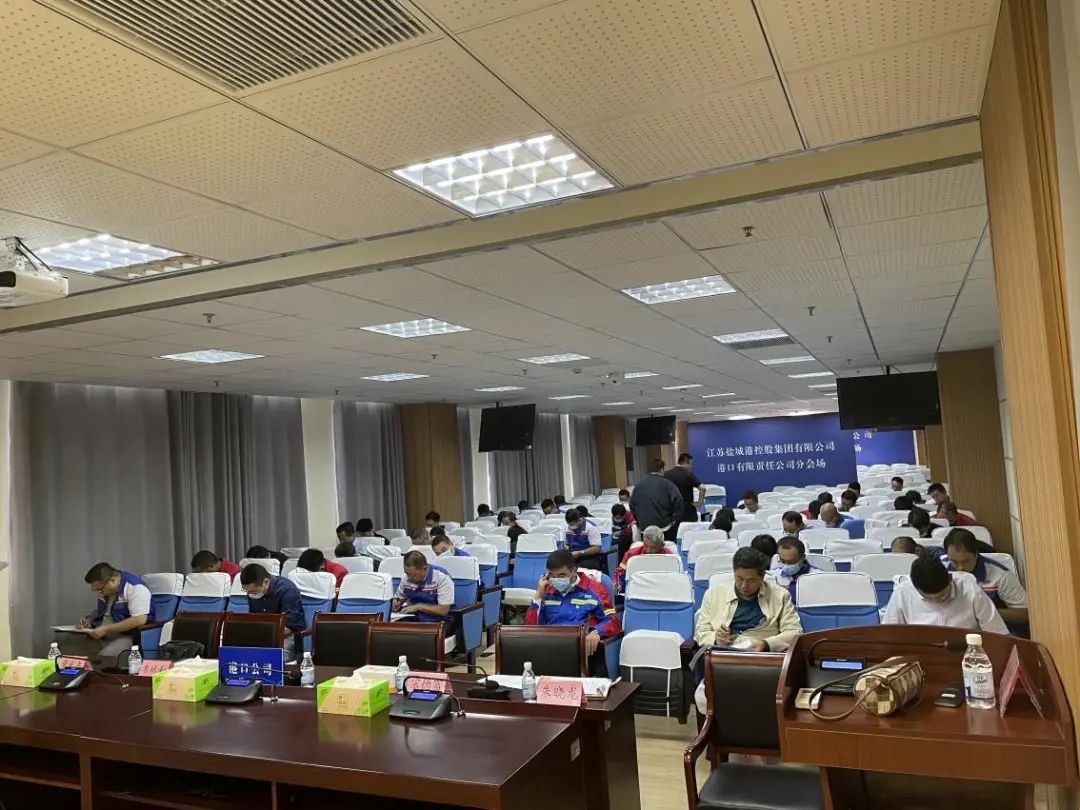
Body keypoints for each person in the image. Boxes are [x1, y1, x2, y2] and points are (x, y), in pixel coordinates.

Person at [526, 549, 620, 676]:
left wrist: (597, 632)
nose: (556, 579)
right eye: (552, 575)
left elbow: (613, 621)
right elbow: (531, 628)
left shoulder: (594, 590)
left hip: (581, 652)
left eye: (561, 575)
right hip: (549, 650)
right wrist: (538, 595)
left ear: (574, 571)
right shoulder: (546, 591)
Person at [883, 555, 1009, 634]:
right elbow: (888, 635)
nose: (937, 601)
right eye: (928, 599)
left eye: (942, 595)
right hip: (919, 655)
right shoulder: (903, 592)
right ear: (915, 588)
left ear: (950, 579)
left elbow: (998, 633)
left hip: (966, 653)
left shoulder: (971, 590)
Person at [60, 563, 154, 665]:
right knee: (68, 648)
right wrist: (89, 620)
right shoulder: (106, 591)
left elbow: (139, 619)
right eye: (95, 590)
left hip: (126, 635)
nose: (99, 593)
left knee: (104, 659)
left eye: (100, 589)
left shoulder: (135, 588)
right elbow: (102, 612)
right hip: (101, 633)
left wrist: (106, 629)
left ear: (112, 580)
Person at [943, 528, 1028, 624]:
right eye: (954, 561)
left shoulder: (1000, 575)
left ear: (976, 554)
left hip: (990, 627)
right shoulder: (940, 567)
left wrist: (984, 611)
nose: (960, 567)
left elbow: (1024, 613)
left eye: (965, 561)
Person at [240, 563, 307, 651]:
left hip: (287, 634)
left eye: (253, 591)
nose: (250, 594)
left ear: (266, 582)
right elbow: (254, 618)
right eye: (247, 591)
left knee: (267, 651)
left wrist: (262, 636)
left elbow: (288, 627)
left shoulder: (287, 590)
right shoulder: (253, 591)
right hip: (263, 633)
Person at [629, 459, 684, 541]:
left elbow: (632, 505)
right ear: (661, 470)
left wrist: (639, 520)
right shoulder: (668, 484)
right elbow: (678, 501)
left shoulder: (638, 485)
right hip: (664, 527)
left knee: (648, 548)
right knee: (667, 546)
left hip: (644, 528)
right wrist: (674, 519)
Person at [393, 550, 454, 623]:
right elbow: (398, 599)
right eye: (406, 573)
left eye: (413, 574)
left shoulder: (441, 577)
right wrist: (396, 603)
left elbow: (443, 610)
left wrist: (418, 606)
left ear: (424, 569)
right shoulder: (406, 578)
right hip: (413, 618)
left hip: (438, 620)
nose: (409, 577)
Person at [614, 525, 674, 591]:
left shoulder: (670, 558)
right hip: (636, 591)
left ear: (662, 545)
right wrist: (618, 584)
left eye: (653, 548)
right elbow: (620, 573)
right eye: (646, 545)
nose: (649, 550)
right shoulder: (631, 555)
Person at [773, 537, 818, 601]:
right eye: (782, 561)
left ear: (802, 558)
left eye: (791, 562)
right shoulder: (771, 577)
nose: (786, 565)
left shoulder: (818, 577)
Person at [665, 452, 705, 523]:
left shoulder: (666, 474)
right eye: (690, 464)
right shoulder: (688, 474)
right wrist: (699, 503)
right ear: (684, 463)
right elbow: (703, 488)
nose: (691, 466)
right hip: (687, 512)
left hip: (671, 511)